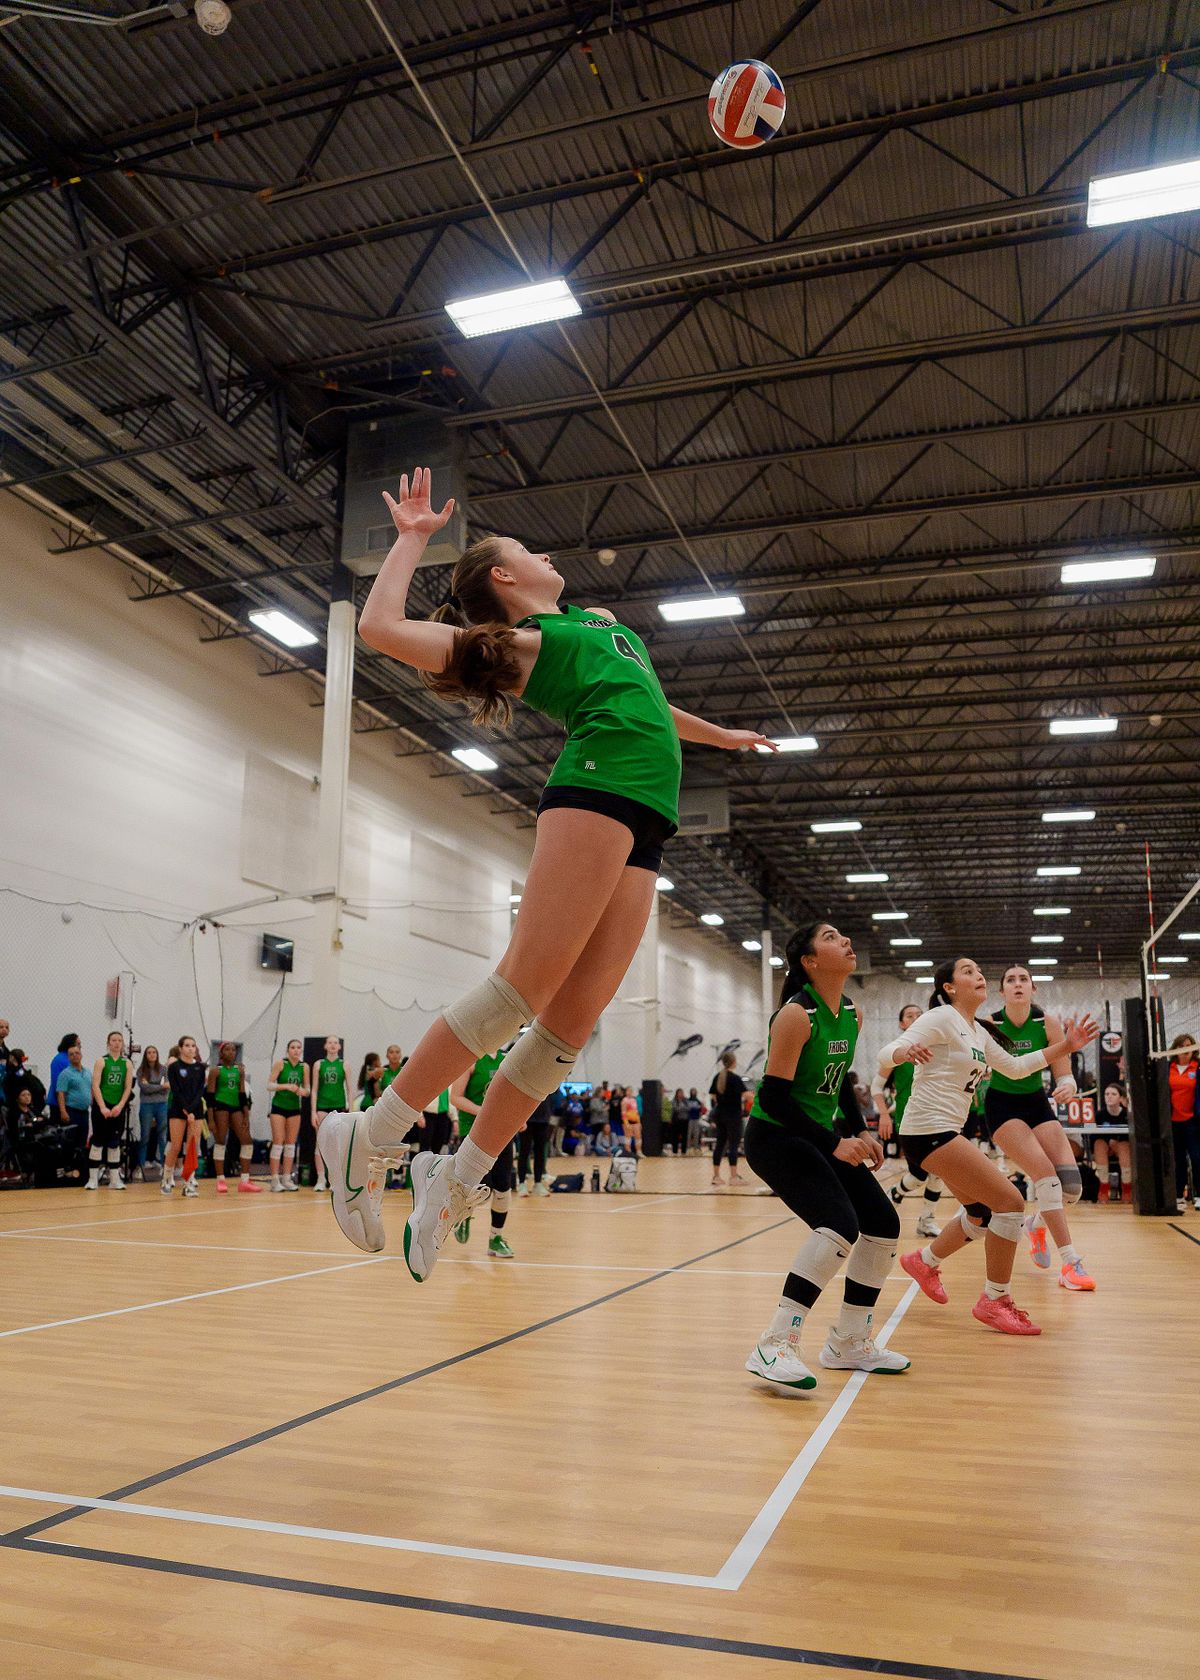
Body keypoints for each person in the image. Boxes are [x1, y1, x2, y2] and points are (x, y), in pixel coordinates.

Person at [317, 467, 771, 1275]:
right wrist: (413, 539)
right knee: (521, 987)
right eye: (526, 549)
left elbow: (648, 702)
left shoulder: (596, 623)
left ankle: (458, 1179)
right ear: (503, 577)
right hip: (595, 788)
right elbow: (380, 627)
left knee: (570, 1026)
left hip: (649, 812)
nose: (546, 553)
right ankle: (370, 1131)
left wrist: (721, 736)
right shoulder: (524, 645)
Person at [887, 960, 1098, 1335]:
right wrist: (904, 1051)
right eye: (968, 971)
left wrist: (1066, 1046)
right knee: (1011, 1203)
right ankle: (995, 1301)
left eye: (979, 970)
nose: (979, 975)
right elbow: (888, 1051)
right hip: (928, 1130)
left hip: (943, 1131)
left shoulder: (978, 1030)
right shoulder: (941, 1016)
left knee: (981, 1216)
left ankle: (924, 1261)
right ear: (950, 987)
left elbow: (1016, 1068)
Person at [743, 921, 910, 1393]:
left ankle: (849, 1343)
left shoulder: (852, 1013)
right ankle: (774, 1344)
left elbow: (839, 1083)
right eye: (832, 938)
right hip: (775, 1137)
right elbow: (774, 1099)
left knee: (882, 1223)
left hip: (818, 1135)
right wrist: (835, 1142)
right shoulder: (796, 1015)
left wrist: (859, 1129)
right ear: (810, 961)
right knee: (838, 1224)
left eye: (842, 935)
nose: (845, 941)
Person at [984, 964, 1094, 1289]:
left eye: (1024, 979)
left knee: (1071, 1189)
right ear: (1002, 991)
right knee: (1046, 1177)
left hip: (1036, 1102)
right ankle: (1070, 1263)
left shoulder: (1046, 1022)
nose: (1017, 984)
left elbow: (1063, 1069)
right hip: (1002, 1106)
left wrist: (1068, 1085)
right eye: (1010, 980)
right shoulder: (990, 1024)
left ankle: (1035, 1225)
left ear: (1033, 989)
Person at [873, 1004, 944, 1238]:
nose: (915, 1018)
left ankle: (927, 1220)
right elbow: (876, 1087)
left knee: (938, 1173)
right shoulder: (896, 1052)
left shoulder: (937, 1047)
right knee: (918, 1176)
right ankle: (894, 1194)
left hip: (938, 1117)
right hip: (909, 1121)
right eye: (909, 1016)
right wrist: (884, 1114)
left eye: (919, 1015)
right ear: (902, 1024)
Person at [450, 1052, 514, 1258]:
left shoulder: (507, 1059)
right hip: (474, 1131)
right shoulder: (472, 1059)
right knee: (482, 1188)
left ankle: (496, 1238)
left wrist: (519, 1116)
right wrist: (484, 1111)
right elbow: (455, 1097)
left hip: (502, 1130)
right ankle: (463, 1214)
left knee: (503, 1186)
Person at [206, 1042, 260, 1195]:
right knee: (221, 1141)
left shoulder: (239, 1070)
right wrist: (210, 1119)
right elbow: (209, 1096)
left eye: (233, 1049)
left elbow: (242, 1094)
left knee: (247, 1141)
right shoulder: (215, 1071)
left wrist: (246, 1114)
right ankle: (220, 1180)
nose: (231, 1052)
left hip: (236, 1107)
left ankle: (245, 1181)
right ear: (221, 1053)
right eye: (227, 1049)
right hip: (220, 1107)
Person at [87, 1029, 132, 1191]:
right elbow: (95, 1085)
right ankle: (92, 1180)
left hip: (117, 1108)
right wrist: (102, 1107)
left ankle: (114, 1180)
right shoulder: (102, 1061)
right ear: (108, 1043)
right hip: (102, 1107)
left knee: (114, 1143)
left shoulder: (127, 1063)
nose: (117, 1043)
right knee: (98, 1141)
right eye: (113, 1040)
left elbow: (127, 1087)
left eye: (119, 1040)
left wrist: (120, 1106)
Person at [163, 1035, 205, 1197]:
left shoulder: (200, 1067)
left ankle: (188, 1184)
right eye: (187, 1045)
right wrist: (186, 1109)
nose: (190, 1048)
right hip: (178, 1109)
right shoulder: (174, 1067)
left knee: (192, 1147)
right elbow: (176, 1090)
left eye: (193, 1045)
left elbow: (200, 1091)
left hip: (196, 1110)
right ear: (180, 1048)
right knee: (175, 1146)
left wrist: (192, 1110)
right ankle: (166, 1180)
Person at [267, 1038, 308, 1191]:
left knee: (291, 1145)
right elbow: (269, 1085)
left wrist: (301, 1091)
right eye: (293, 1047)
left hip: (294, 1108)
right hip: (279, 1107)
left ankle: (287, 1178)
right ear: (288, 1050)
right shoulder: (281, 1064)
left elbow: (307, 1090)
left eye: (298, 1047)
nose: (296, 1050)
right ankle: (274, 1179)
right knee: (278, 1142)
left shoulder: (304, 1067)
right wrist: (285, 1086)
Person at [1167, 1033, 1200, 1212]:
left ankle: (1199, 1196)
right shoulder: (1168, 1067)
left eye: (1189, 1046)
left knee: (1197, 1158)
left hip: (1193, 1121)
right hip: (1173, 1121)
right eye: (1182, 1046)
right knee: (1178, 1160)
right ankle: (1179, 1196)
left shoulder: (1197, 1067)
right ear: (1175, 1049)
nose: (1185, 1050)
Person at [311, 1036, 349, 1191]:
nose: (333, 1045)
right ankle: (321, 1179)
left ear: (339, 1047)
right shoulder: (319, 1064)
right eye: (330, 1042)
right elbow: (314, 1090)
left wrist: (351, 1111)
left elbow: (349, 1088)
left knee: (338, 1145)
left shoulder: (344, 1064)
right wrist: (313, 1112)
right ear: (325, 1046)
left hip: (339, 1107)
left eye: (335, 1043)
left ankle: (336, 1179)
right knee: (320, 1143)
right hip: (322, 1107)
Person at [709, 1052, 746, 1186]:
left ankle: (716, 1176)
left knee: (720, 1144)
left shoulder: (718, 1077)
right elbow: (747, 1095)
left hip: (720, 1115)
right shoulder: (735, 1078)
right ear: (733, 1062)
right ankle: (733, 1176)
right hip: (733, 1116)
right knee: (733, 1145)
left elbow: (713, 1096)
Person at [1094, 1083, 1131, 1203]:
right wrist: (1109, 1142)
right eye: (1107, 1094)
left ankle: (1127, 1188)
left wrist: (1115, 1142)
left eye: (1113, 1094)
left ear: (1121, 1098)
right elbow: (1094, 1136)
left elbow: (1130, 1136)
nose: (1109, 1096)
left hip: (1122, 1147)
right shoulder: (1099, 1115)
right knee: (1099, 1144)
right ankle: (1104, 1187)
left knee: (1124, 1146)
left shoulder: (1127, 1115)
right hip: (1105, 1148)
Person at [55, 1042, 93, 1159]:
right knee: (70, 1141)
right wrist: (63, 1111)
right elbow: (60, 1093)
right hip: (71, 1112)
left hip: (84, 1112)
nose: (74, 1055)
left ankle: (79, 1166)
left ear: (81, 1055)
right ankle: (68, 1166)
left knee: (82, 1140)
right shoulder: (65, 1074)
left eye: (77, 1053)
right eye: (71, 1054)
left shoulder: (88, 1072)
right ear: (68, 1057)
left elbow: (90, 1090)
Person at [135, 1045, 169, 1173]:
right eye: (149, 1052)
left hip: (162, 1104)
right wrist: (160, 1086)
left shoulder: (164, 1069)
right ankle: (141, 1166)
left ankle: (165, 1166)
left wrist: (152, 1086)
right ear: (145, 1055)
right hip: (147, 1105)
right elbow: (145, 1089)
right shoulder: (141, 1070)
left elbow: (167, 1087)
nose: (152, 1054)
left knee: (162, 1136)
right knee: (145, 1135)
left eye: (154, 1052)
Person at [517, 1092, 553, 1194]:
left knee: (540, 1152)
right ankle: (521, 1183)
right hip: (526, 1118)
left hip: (543, 1118)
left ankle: (538, 1183)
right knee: (524, 1151)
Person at [48, 1033, 80, 1106]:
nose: (80, 1046)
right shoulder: (60, 1060)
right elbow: (57, 1083)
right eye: (78, 1044)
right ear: (71, 1045)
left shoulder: (70, 1059)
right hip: (60, 1103)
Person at [620, 1084, 642, 1156]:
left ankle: (639, 1152)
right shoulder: (624, 1101)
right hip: (628, 1121)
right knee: (628, 1137)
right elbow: (623, 1113)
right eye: (628, 1091)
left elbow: (636, 1112)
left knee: (638, 1136)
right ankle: (628, 1152)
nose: (629, 1092)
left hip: (635, 1121)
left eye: (631, 1091)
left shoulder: (634, 1100)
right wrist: (626, 1123)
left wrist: (639, 1122)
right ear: (626, 1092)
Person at [669, 1087, 689, 1156]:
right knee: (675, 1136)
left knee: (684, 1136)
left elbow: (688, 1108)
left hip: (684, 1121)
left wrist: (681, 1108)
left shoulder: (686, 1100)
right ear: (677, 1093)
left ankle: (684, 1151)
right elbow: (674, 1108)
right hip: (676, 1121)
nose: (681, 1094)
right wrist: (682, 1108)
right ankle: (675, 1151)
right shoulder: (674, 1100)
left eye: (682, 1093)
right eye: (679, 1093)